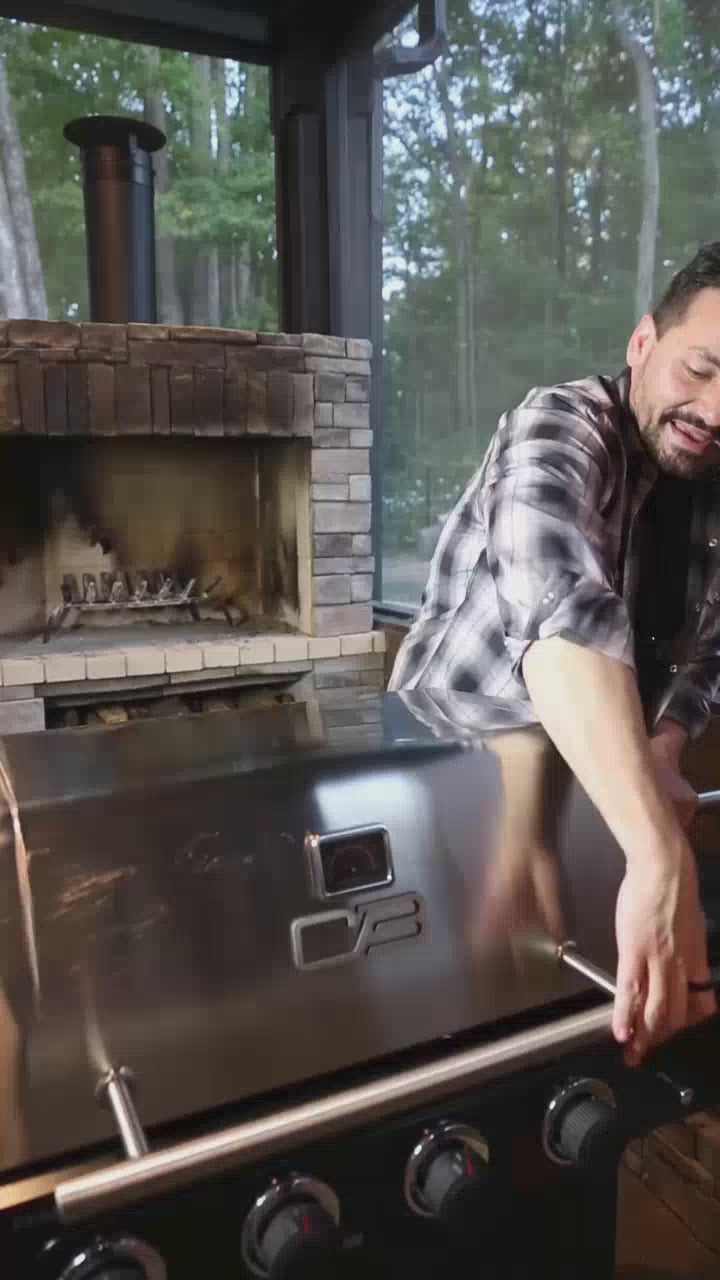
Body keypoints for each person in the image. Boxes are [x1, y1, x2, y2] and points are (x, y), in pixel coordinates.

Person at [389, 242, 720, 1065]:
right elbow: (557, 606)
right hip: (447, 799)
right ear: (642, 342)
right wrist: (660, 852)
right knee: (433, 1052)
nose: (715, 411)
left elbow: (709, 654)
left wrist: (663, 750)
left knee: (571, 1062)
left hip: (602, 805)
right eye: (701, 369)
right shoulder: (559, 423)